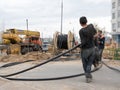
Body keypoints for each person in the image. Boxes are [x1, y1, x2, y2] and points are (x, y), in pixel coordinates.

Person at [79, 16, 97, 83]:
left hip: (85, 50)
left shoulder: (81, 31)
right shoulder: (91, 26)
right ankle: (89, 75)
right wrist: (91, 38)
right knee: (89, 64)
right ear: (86, 21)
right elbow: (95, 34)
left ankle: (88, 77)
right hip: (92, 48)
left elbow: (83, 42)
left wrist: (80, 46)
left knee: (85, 64)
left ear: (80, 23)